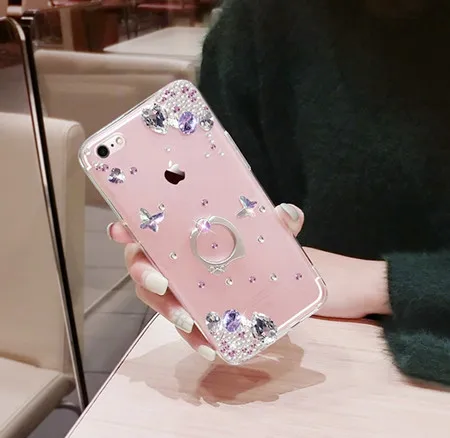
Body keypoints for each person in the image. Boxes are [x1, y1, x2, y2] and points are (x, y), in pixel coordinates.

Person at [108, 0, 450, 385]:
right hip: (309, 361)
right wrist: (187, 266)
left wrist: (382, 284)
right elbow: (238, 247)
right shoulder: (260, 22)